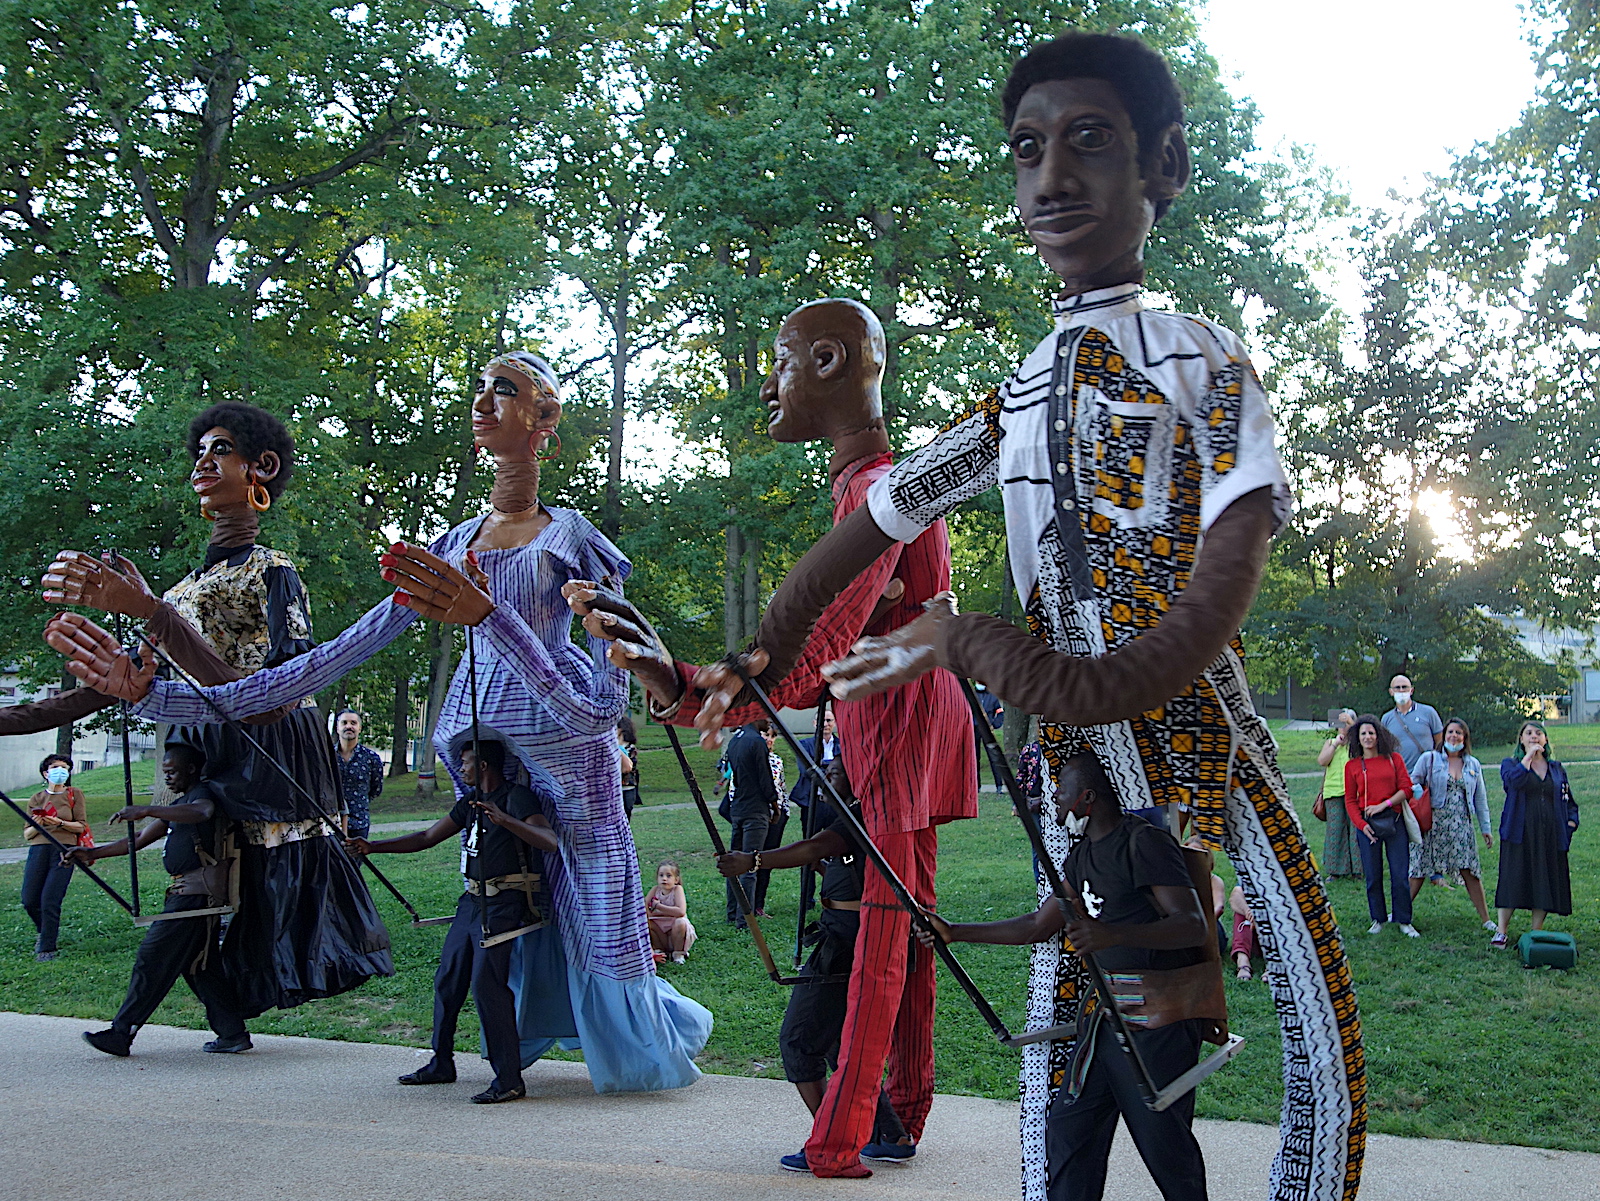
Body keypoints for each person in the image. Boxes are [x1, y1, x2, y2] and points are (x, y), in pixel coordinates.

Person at [687, 32, 1363, 1199]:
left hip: (1199, 731)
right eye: (1027, 149)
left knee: (1314, 1009)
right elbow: (873, 527)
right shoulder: (1020, 397)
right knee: (1061, 1014)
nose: (1050, 177)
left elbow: (1195, 623)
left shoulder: (1206, 365)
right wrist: (758, 660)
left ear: (1164, 166)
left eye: (1087, 142)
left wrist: (975, 645)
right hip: (1070, 751)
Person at [51, 352, 711, 1092]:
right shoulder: (450, 548)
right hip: (484, 763)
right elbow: (321, 664)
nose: (484, 402)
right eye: (480, 389)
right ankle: (490, 1052)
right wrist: (151, 698)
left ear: (544, 423)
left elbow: (595, 710)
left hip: (570, 766)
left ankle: (640, 1045)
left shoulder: (574, 544)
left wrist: (491, 617)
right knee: (489, 931)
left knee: (599, 915)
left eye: (507, 390)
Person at [569, 296, 976, 1178]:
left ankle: (845, 1137)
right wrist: (673, 676)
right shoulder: (867, 485)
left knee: (884, 929)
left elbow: (827, 630)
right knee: (903, 923)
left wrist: (733, 685)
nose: (768, 381)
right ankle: (899, 1112)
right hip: (890, 711)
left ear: (830, 363)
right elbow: (828, 639)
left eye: (783, 360)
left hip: (900, 718)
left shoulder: (880, 489)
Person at [41, 402, 392, 1015]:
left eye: (220, 448)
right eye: (198, 451)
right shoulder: (178, 591)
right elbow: (114, 684)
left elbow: (276, 692)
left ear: (262, 467)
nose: (204, 460)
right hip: (208, 741)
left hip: (273, 747)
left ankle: (223, 1004)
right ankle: (219, 1010)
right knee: (204, 880)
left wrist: (154, 615)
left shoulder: (272, 571)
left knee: (262, 884)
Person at [924, 751, 1217, 1201]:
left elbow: (1192, 925)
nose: (1053, 801)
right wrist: (955, 932)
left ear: (1087, 798)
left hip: (1156, 1023)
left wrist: (1110, 934)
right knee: (1069, 1128)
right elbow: (1037, 926)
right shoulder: (1081, 857)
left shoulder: (1144, 844)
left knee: (1164, 1147)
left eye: (1060, 792)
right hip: (1104, 1021)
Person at [717, 756, 914, 1165]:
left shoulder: (861, 815)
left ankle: (832, 1138)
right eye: (823, 771)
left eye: (836, 772)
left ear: (860, 778)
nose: (826, 777)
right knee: (840, 1042)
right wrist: (820, 866)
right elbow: (841, 862)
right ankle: (890, 1137)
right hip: (845, 931)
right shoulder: (851, 815)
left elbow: (819, 845)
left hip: (849, 941)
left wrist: (752, 861)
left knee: (799, 1041)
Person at [349, 740, 564, 1102]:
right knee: (448, 979)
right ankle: (441, 1062)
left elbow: (549, 841)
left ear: (483, 765)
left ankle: (509, 1079)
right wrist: (373, 847)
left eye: (465, 763)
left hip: (505, 903)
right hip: (472, 902)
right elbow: (427, 837)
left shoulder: (517, 799)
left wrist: (505, 820)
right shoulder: (469, 803)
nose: (460, 770)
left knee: (486, 985)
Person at [74, 743, 251, 1056]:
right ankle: (232, 1032)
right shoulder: (180, 803)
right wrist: (92, 853)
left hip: (196, 898)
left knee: (151, 958)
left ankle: (121, 1033)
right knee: (200, 967)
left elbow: (203, 813)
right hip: (185, 896)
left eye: (171, 771)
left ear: (192, 770)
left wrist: (147, 808)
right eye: (164, 772)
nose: (166, 777)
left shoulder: (203, 795)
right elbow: (139, 840)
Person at [1493, 721, 1579, 949]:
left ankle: (1536, 932)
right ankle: (1501, 931)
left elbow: (1568, 800)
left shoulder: (1557, 769)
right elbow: (1513, 783)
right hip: (1519, 832)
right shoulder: (1511, 765)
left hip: (1550, 835)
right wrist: (1528, 758)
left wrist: (1570, 823)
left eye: (1538, 733)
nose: (1534, 737)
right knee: (1513, 878)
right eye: (1528, 733)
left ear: (1546, 740)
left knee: (1544, 880)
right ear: (1521, 739)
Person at [1407, 717, 1495, 931]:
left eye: (1459, 733)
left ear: (1465, 738)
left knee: (1470, 872)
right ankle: (1401, 914)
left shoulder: (1473, 764)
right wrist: (1418, 791)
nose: (1454, 736)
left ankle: (1486, 919)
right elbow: (1412, 781)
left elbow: (1480, 799)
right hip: (1432, 824)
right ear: (1443, 736)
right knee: (1418, 870)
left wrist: (1485, 828)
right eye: (1450, 732)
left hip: (1461, 827)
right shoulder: (1430, 759)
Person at [1343, 714, 1418, 937]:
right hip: (1368, 826)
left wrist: (1382, 804)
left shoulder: (1394, 759)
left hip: (1394, 822)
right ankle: (1378, 918)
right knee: (1373, 875)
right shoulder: (1352, 766)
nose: (1368, 737)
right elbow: (1350, 800)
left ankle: (1404, 919)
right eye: (1363, 734)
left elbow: (1406, 789)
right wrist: (1361, 825)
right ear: (1357, 738)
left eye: (1371, 733)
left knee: (1400, 874)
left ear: (1379, 735)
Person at [20, 753, 87, 961]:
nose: (61, 771)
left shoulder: (74, 795)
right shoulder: (36, 798)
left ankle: (47, 947)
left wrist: (58, 822)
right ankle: (44, 931)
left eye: (65, 768)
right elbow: (27, 834)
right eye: (56, 767)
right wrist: (40, 822)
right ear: (45, 773)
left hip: (64, 849)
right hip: (39, 849)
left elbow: (81, 826)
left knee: (50, 899)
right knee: (29, 899)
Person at [723, 721, 775, 927]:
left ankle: (731, 912)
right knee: (750, 863)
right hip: (756, 809)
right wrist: (775, 805)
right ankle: (744, 918)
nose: (769, 721)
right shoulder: (756, 741)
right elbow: (765, 778)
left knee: (733, 862)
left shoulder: (735, 741)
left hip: (738, 808)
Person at [1317, 709, 1361, 878]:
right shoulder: (1330, 743)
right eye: (1340, 724)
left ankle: (1357, 869)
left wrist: (1352, 725)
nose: (1343, 728)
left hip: (1354, 793)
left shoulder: (1357, 744)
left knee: (1355, 831)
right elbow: (1322, 761)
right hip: (1333, 792)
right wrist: (1336, 744)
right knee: (1335, 831)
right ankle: (1336, 870)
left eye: (1346, 724)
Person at [754, 724, 790, 916]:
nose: (770, 739)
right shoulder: (750, 757)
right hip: (757, 816)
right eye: (766, 735)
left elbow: (782, 788)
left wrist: (784, 812)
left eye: (773, 736)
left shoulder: (777, 761)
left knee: (767, 860)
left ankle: (759, 904)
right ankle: (746, 904)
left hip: (776, 818)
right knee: (752, 859)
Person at [333, 709, 384, 840]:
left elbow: (376, 789)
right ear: (337, 728)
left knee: (355, 860)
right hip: (331, 823)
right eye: (344, 723)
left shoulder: (371, 758)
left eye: (353, 723)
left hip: (359, 822)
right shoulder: (326, 756)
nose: (348, 726)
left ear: (359, 728)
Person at [1380, 675, 1443, 772]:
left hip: (1427, 773)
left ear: (1411, 690)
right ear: (1391, 692)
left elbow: (1440, 741)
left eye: (1404, 687)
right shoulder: (1386, 718)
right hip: (1400, 774)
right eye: (1397, 687)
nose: (1401, 690)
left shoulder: (1428, 712)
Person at [645, 861, 696, 964]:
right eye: (661, 875)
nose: (664, 878)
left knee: (680, 922)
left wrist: (658, 906)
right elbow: (645, 909)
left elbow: (681, 912)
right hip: (660, 930)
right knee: (646, 922)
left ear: (676, 879)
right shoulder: (655, 890)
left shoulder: (677, 890)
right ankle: (660, 950)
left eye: (668, 876)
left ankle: (678, 953)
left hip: (676, 931)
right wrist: (664, 912)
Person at [1228, 886, 1259, 982]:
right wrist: (1248, 912)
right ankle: (1242, 960)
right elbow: (1235, 895)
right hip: (1252, 932)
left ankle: (1272, 966)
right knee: (1241, 911)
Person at [617, 715, 640, 818]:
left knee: (626, 814)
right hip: (614, 788)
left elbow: (628, 767)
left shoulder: (630, 748)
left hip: (627, 787)